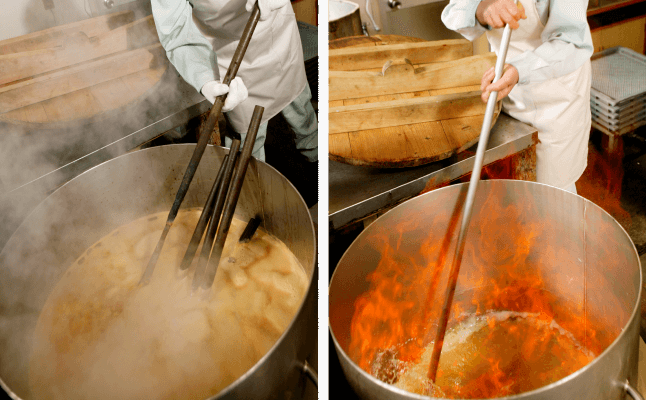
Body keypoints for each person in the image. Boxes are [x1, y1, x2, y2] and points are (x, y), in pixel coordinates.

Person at [442, 0, 594, 194]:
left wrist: (520, 69)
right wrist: (481, 9)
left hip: (556, 97)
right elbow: (454, 10)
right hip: (507, 88)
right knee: (511, 191)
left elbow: (573, 42)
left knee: (553, 191)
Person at [150, 0, 318, 164]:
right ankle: (253, 186)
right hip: (229, 54)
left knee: (301, 109)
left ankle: (317, 156)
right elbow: (176, 33)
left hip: (278, 35)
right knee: (246, 145)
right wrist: (206, 80)